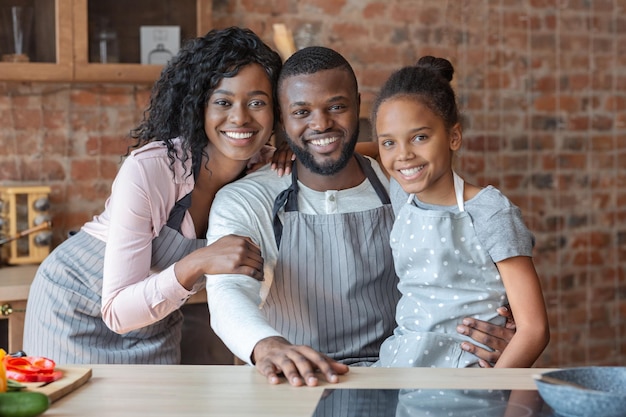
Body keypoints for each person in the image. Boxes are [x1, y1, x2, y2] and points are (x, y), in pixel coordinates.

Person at [205, 46, 517, 387]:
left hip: (400, 374)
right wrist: (267, 346)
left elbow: (456, 272)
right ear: (283, 119)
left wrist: (497, 324)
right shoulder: (248, 199)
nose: (321, 123)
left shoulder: (401, 184)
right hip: (299, 379)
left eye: (336, 107)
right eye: (301, 112)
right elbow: (227, 291)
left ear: (358, 106)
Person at [22, 27, 283, 365]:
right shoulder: (154, 168)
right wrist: (197, 263)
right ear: (199, 107)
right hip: (75, 305)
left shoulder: (265, 167)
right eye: (223, 101)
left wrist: (296, 149)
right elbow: (116, 310)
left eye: (257, 102)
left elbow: (355, 157)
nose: (240, 117)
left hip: (155, 317)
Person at [371, 56, 550, 368]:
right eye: (389, 143)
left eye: (420, 137)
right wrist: (298, 151)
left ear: (454, 137)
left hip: (467, 376)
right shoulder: (403, 194)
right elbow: (376, 151)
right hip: (398, 367)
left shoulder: (490, 211)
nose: (404, 155)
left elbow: (534, 330)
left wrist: (493, 391)